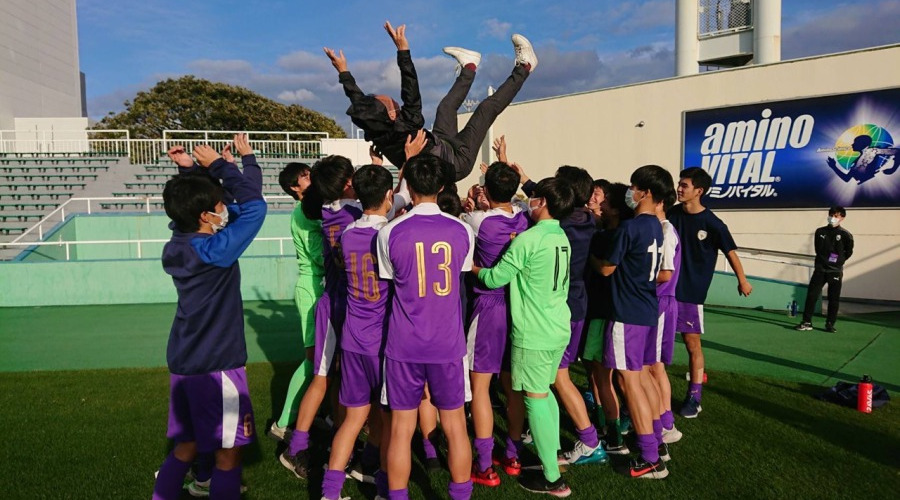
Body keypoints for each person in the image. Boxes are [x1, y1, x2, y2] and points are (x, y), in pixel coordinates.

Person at [153, 134, 266, 500]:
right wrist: (219, 166)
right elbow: (254, 209)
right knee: (229, 453)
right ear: (205, 215)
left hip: (184, 361)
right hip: (217, 365)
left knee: (186, 446)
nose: (224, 208)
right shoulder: (216, 250)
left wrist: (192, 173)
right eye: (217, 205)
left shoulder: (178, 243)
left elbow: (235, 205)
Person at [377, 154, 475, 500]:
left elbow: (391, 283)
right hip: (448, 344)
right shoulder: (462, 229)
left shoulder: (389, 232)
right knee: (455, 427)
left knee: (402, 430)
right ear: (444, 186)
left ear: (410, 187)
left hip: (404, 344)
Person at [324, 21, 538, 181]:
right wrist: (403, 51)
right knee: (485, 108)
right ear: (391, 114)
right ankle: (525, 66)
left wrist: (343, 72)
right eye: (388, 101)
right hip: (456, 162)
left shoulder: (377, 130)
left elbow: (362, 107)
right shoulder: (406, 124)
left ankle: (470, 66)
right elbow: (410, 88)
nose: (391, 99)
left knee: (445, 108)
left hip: (440, 145)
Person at [473, 177, 575, 496]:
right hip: (558, 325)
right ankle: (552, 459)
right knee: (543, 393)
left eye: (532, 197)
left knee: (536, 399)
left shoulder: (529, 240)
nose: (528, 202)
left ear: (542, 202)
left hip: (535, 331)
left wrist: (471, 267)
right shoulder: (561, 237)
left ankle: (551, 478)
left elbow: (494, 278)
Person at [592, 165, 672, 479]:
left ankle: (650, 455)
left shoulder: (631, 227)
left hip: (626, 312)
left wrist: (590, 257)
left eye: (634, 186)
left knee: (629, 381)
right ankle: (655, 441)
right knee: (641, 378)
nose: (630, 192)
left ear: (646, 192)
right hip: (646, 308)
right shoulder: (656, 225)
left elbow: (607, 269)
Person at [321, 164, 395, 500]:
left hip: (353, 336)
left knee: (353, 419)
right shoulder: (391, 236)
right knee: (388, 420)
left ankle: (330, 491)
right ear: (388, 196)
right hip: (383, 340)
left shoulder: (349, 234)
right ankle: (381, 486)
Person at [459, 161, 530, 487]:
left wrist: (472, 201)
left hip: (487, 307)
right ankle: (513, 454)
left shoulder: (478, 221)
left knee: (481, 387)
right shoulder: (525, 217)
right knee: (512, 384)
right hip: (518, 305)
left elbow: (462, 216)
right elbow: (523, 199)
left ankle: (485, 463)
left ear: (486, 190)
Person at [667, 167, 753, 419]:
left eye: (684, 185)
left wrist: (742, 280)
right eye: (679, 184)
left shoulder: (713, 223)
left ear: (699, 191)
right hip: (665, 290)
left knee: (692, 344)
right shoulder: (672, 213)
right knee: (658, 342)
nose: (679, 189)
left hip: (691, 293)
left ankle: (694, 397)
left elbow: (731, 252)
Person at [269, 162, 323, 440]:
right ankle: (284, 422)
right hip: (311, 288)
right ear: (294, 188)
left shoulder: (309, 209)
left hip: (316, 287)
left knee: (323, 359)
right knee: (313, 360)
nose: (310, 178)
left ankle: (315, 413)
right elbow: (318, 255)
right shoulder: (304, 211)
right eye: (304, 177)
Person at [650, 185, 683, 445]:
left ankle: (666, 423)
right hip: (655, 301)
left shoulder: (665, 231)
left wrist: (636, 282)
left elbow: (666, 273)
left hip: (661, 302)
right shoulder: (656, 229)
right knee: (651, 365)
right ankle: (662, 419)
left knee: (655, 365)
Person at [795, 206, 854, 333]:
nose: (833, 218)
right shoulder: (820, 231)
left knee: (833, 298)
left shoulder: (846, 235)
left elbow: (848, 252)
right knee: (812, 295)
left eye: (836, 216)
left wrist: (837, 262)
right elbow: (818, 249)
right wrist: (825, 261)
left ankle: (830, 323)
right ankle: (806, 322)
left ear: (842, 218)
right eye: (831, 215)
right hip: (820, 269)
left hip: (835, 271)